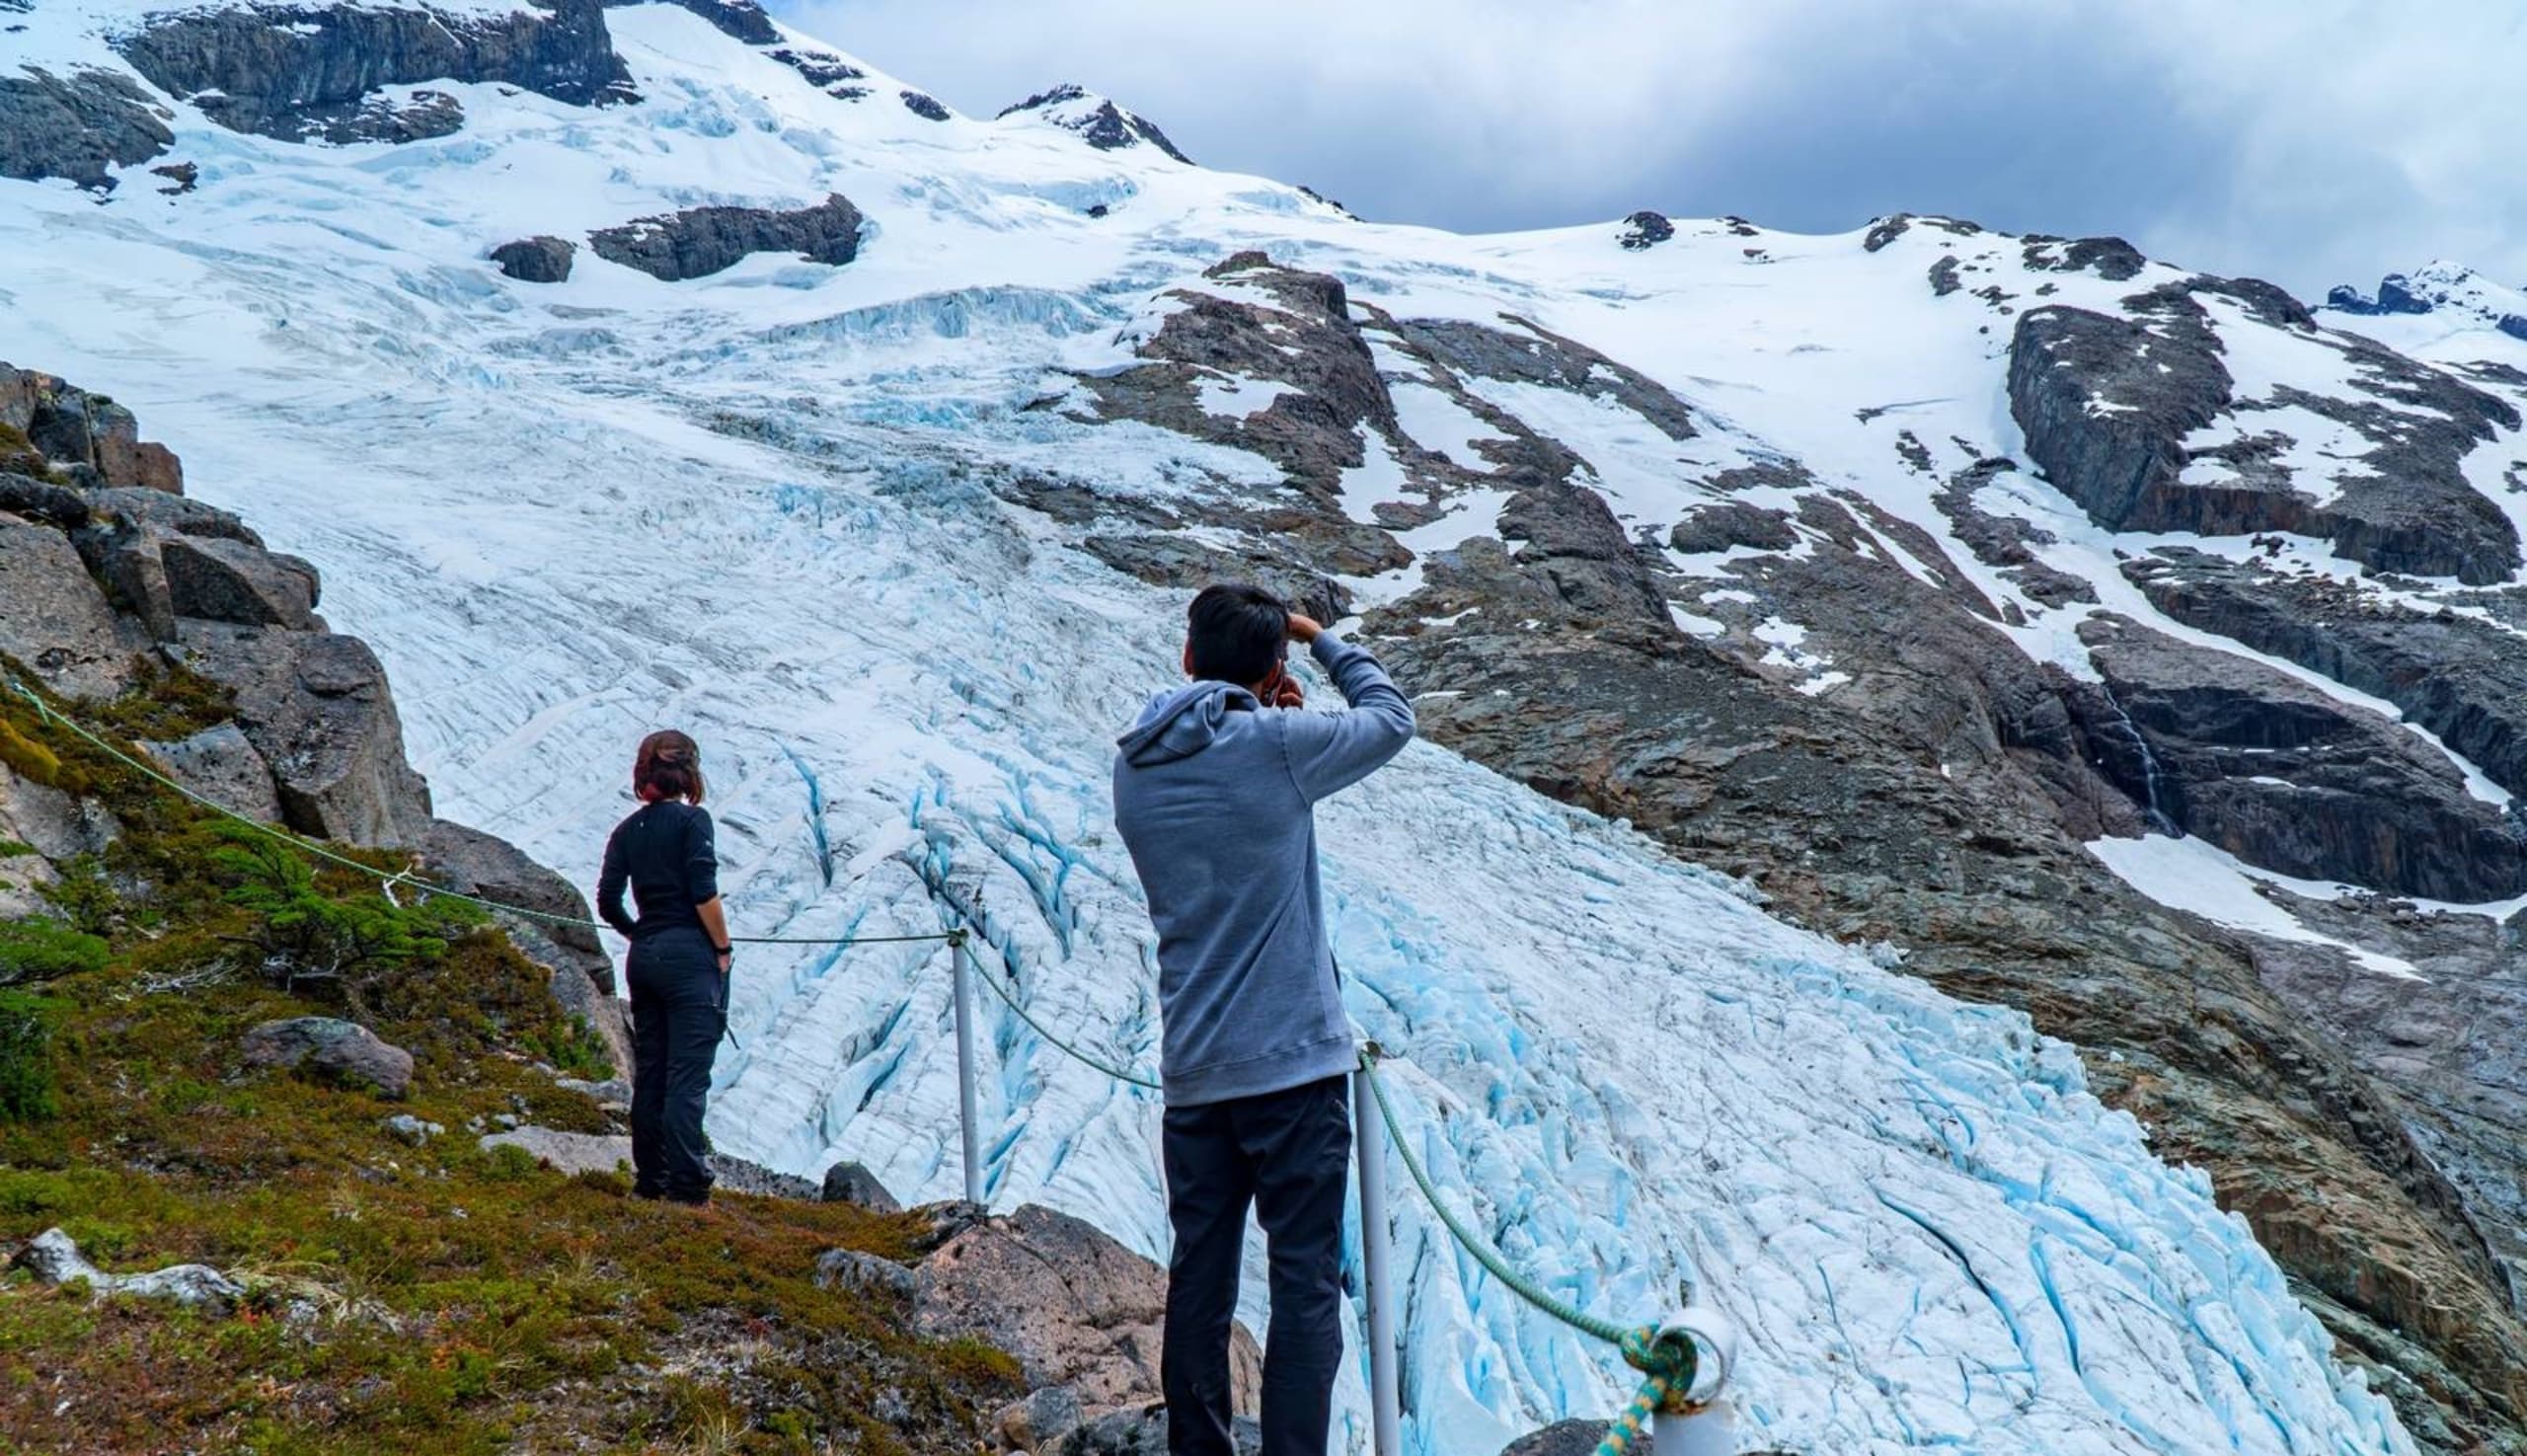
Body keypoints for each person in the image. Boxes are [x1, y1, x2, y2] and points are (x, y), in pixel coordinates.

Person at [1110, 583, 1417, 1456]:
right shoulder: (1280, 746)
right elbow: (1390, 717)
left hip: (1197, 1072)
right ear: (1275, 663)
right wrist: (1321, 642)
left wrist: (1260, 706)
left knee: (1200, 1279)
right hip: (1293, 1073)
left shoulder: (1135, 761)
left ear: (1185, 657)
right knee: (1305, 1283)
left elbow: (1227, 764)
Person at [596, 729, 732, 1206]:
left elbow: (608, 901)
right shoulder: (694, 822)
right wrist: (722, 948)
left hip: (645, 959)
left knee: (651, 1073)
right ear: (689, 773)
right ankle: (688, 1188)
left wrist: (640, 933)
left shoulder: (626, 831)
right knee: (687, 1079)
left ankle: (649, 1180)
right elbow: (703, 892)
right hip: (689, 960)